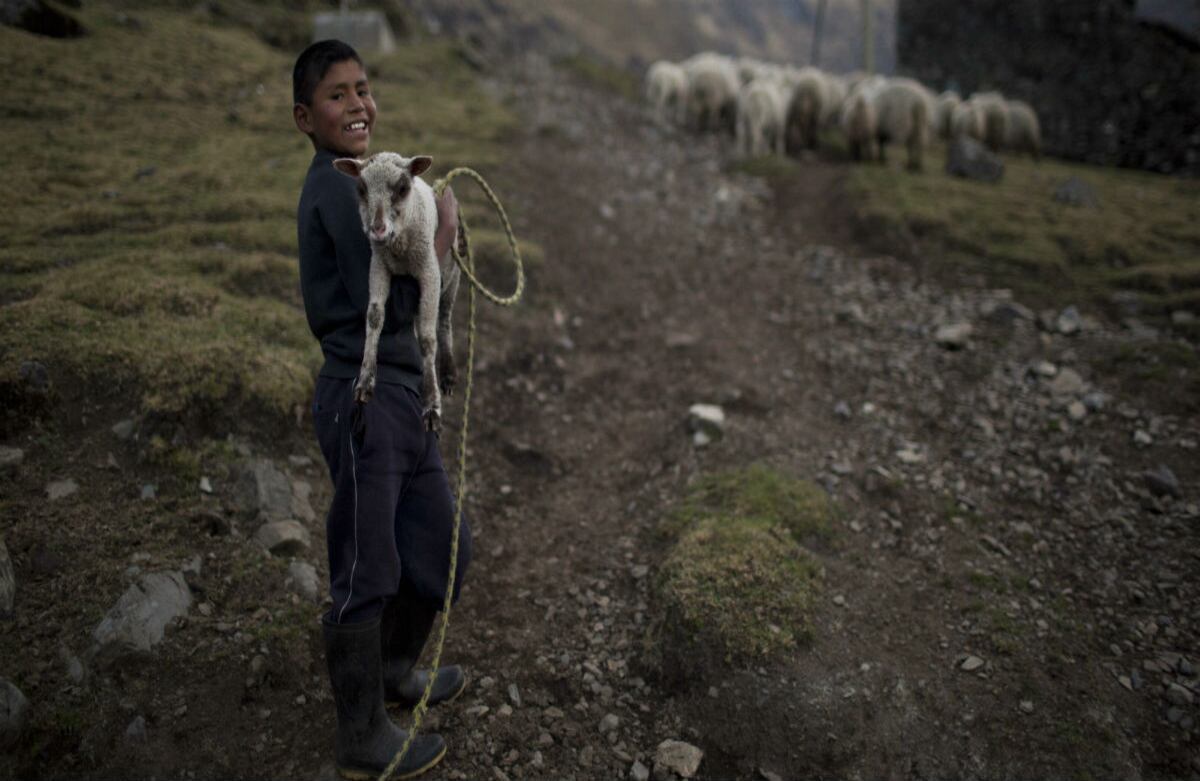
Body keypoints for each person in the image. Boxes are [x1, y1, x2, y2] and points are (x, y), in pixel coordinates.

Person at [292, 39, 472, 780]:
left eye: (362, 89)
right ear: (306, 117)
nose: (357, 104)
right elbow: (394, 290)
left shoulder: (376, 182)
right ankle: (361, 732)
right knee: (366, 563)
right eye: (337, 95)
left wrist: (433, 246)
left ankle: (397, 666)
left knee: (441, 542)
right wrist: (442, 242)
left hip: (406, 394)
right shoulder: (340, 191)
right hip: (362, 401)